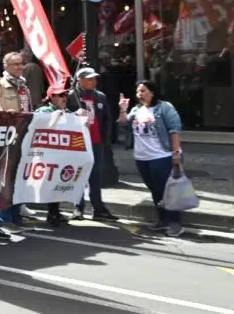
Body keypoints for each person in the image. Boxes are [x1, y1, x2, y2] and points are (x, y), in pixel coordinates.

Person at [118, 80, 184, 237]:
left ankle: (175, 223)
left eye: (143, 91)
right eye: (138, 92)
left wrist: (176, 153)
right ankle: (163, 220)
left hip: (161, 156)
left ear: (152, 92)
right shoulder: (136, 110)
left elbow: (175, 130)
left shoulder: (164, 108)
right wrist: (122, 110)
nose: (140, 94)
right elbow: (123, 125)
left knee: (168, 190)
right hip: (142, 158)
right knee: (155, 190)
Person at [67, 68, 119, 222]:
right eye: (89, 79)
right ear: (80, 80)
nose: (93, 82)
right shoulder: (72, 96)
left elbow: (107, 120)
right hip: (79, 143)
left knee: (95, 176)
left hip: (96, 142)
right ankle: (78, 206)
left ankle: (98, 208)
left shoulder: (100, 97)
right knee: (78, 176)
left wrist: (106, 140)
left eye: (94, 79)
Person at [37, 84, 75, 227]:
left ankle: (55, 211)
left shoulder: (67, 111)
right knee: (51, 184)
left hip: (62, 153)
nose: (64, 98)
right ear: (51, 97)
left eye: (65, 95)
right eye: (60, 95)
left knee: (59, 183)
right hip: (48, 154)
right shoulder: (44, 110)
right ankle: (52, 212)